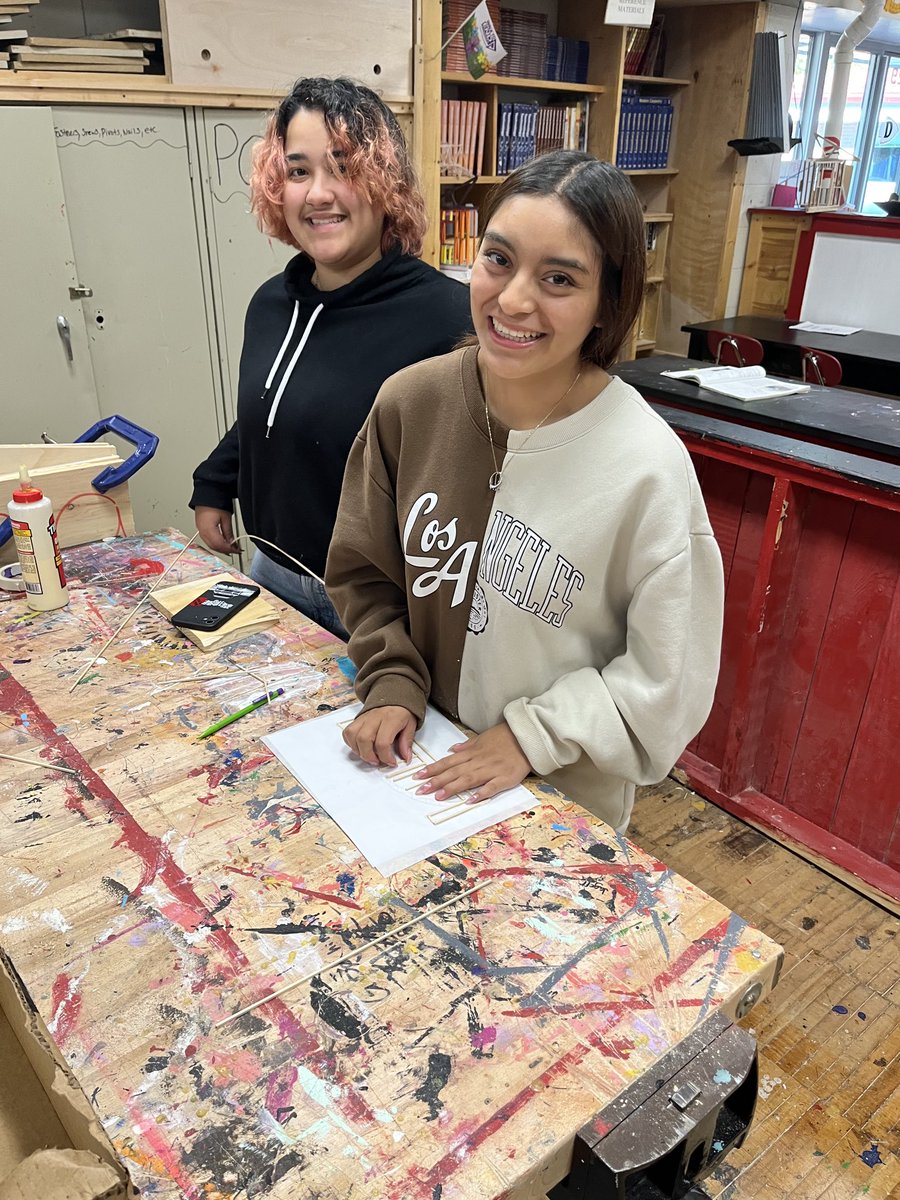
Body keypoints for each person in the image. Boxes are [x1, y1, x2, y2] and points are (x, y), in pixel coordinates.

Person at [325, 150, 724, 832]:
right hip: (413, 766)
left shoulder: (647, 467)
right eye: (498, 259)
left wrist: (533, 736)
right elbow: (365, 572)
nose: (512, 300)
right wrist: (391, 681)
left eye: (559, 278)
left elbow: (669, 678)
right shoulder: (409, 403)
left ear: (607, 303)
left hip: (556, 808)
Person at [190, 76, 471, 638]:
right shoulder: (271, 305)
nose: (318, 193)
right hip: (271, 571)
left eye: (343, 167)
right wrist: (215, 482)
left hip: (376, 605)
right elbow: (273, 406)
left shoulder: (449, 317)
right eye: (298, 171)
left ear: (385, 181)